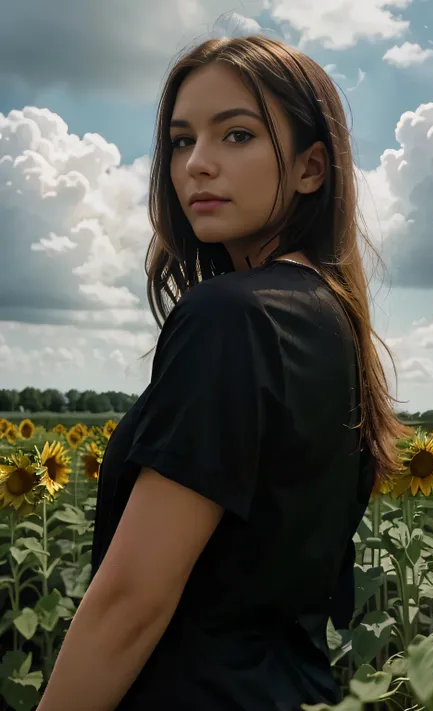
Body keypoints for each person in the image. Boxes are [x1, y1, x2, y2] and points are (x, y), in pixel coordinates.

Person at [36, 35, 410, 711]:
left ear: (311, 168)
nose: (197, 166)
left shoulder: (230, 317)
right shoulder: (333, 322)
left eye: (236, 135)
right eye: (182, 141)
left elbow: (131, 603)